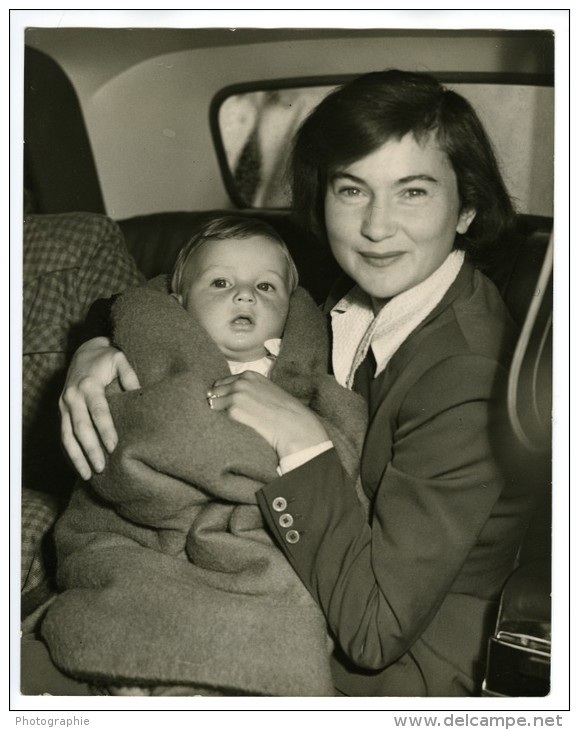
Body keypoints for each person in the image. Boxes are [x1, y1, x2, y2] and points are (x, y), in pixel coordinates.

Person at [57, 70, 537, 697]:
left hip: (379, 670)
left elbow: (375, 630)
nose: (376, 226)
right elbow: (193, 283)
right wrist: (95, 347)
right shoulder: (354, 273)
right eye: (351, 190)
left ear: (467, 206)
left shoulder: (468, 378)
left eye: (413, 192)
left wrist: (303, 443)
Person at [41, 216, 367, 696]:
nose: (244, 295)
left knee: (291, 592)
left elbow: (340, 439)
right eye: (220, 282)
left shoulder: (302, 372)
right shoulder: (145, 359)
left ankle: (206, 679)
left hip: (259, 530)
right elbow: (125, 441)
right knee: (126, 578)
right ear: (179, 304)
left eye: (265, 286)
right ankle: (149, 668)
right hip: (148, 531)